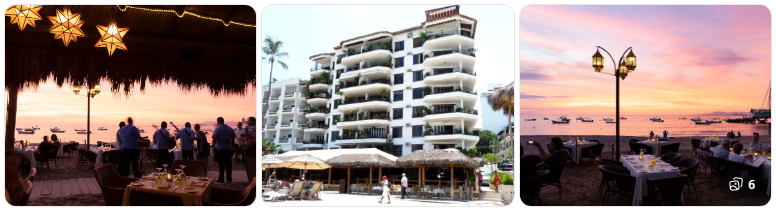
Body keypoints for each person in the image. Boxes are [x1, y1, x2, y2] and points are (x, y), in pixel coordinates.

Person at [212, 117, 236, 183]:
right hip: (228, 149)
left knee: (221, 165)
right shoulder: (230, 129)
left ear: (218, 122)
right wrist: (233, 148)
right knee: (228, 164)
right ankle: (229, 178)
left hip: (220, 149)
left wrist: (213, 147)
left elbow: (214, 138)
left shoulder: (218, 129)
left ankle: (221, 179)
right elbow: (233, 139)